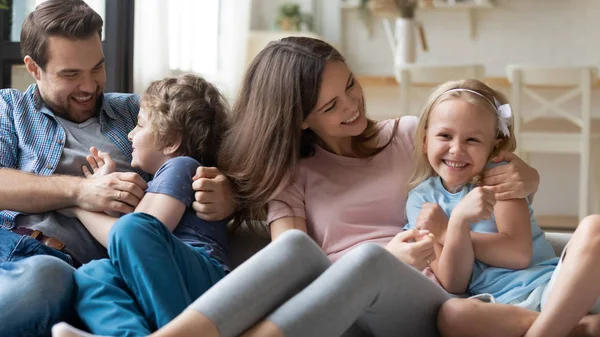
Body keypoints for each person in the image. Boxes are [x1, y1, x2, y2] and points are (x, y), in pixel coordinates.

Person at [54, 36, 542, 337]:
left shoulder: (411, 134)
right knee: (293, 251)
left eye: (350, 85)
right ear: (300, 119)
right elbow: (293, 266)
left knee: (371, 258)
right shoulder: (292, 174)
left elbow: (487, 164)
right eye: (330, 106)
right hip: (338, 304)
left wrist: (527, 175)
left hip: (424, 295)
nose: (351, 106)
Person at [0, 1, 233, 336]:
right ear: (34, 69)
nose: (89, 86)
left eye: (97, 67)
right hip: (8, 245)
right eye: (70, 74)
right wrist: (81, 192)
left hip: (68, 272)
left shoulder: (140, 112)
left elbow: (205, 144)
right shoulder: (9, 109)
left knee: (53, 279)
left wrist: (227, 190)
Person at [403, 79, 600, 337]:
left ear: (494, 144)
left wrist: (444, 232)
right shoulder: (421, 199)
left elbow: (517, 254)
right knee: (452, 314)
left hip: (556, 288)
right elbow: (454, 281)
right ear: (425, 139)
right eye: (445, 136)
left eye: (472, 139)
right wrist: (459, 221)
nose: (456, 149)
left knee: (595, 227)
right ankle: (578, 327)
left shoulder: (498, 177)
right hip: (500, 308)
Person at [53, 74, 230, 336]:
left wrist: (79, 205)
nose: (130, 134)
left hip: (203, 276)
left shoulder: (182, 166)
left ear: (171, 142)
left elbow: (137, 232)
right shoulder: (159, 182)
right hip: (169, 280)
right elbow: (133, 240)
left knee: (132, 229)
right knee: (93, 273)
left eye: (139, 125)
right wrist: (106, 192)